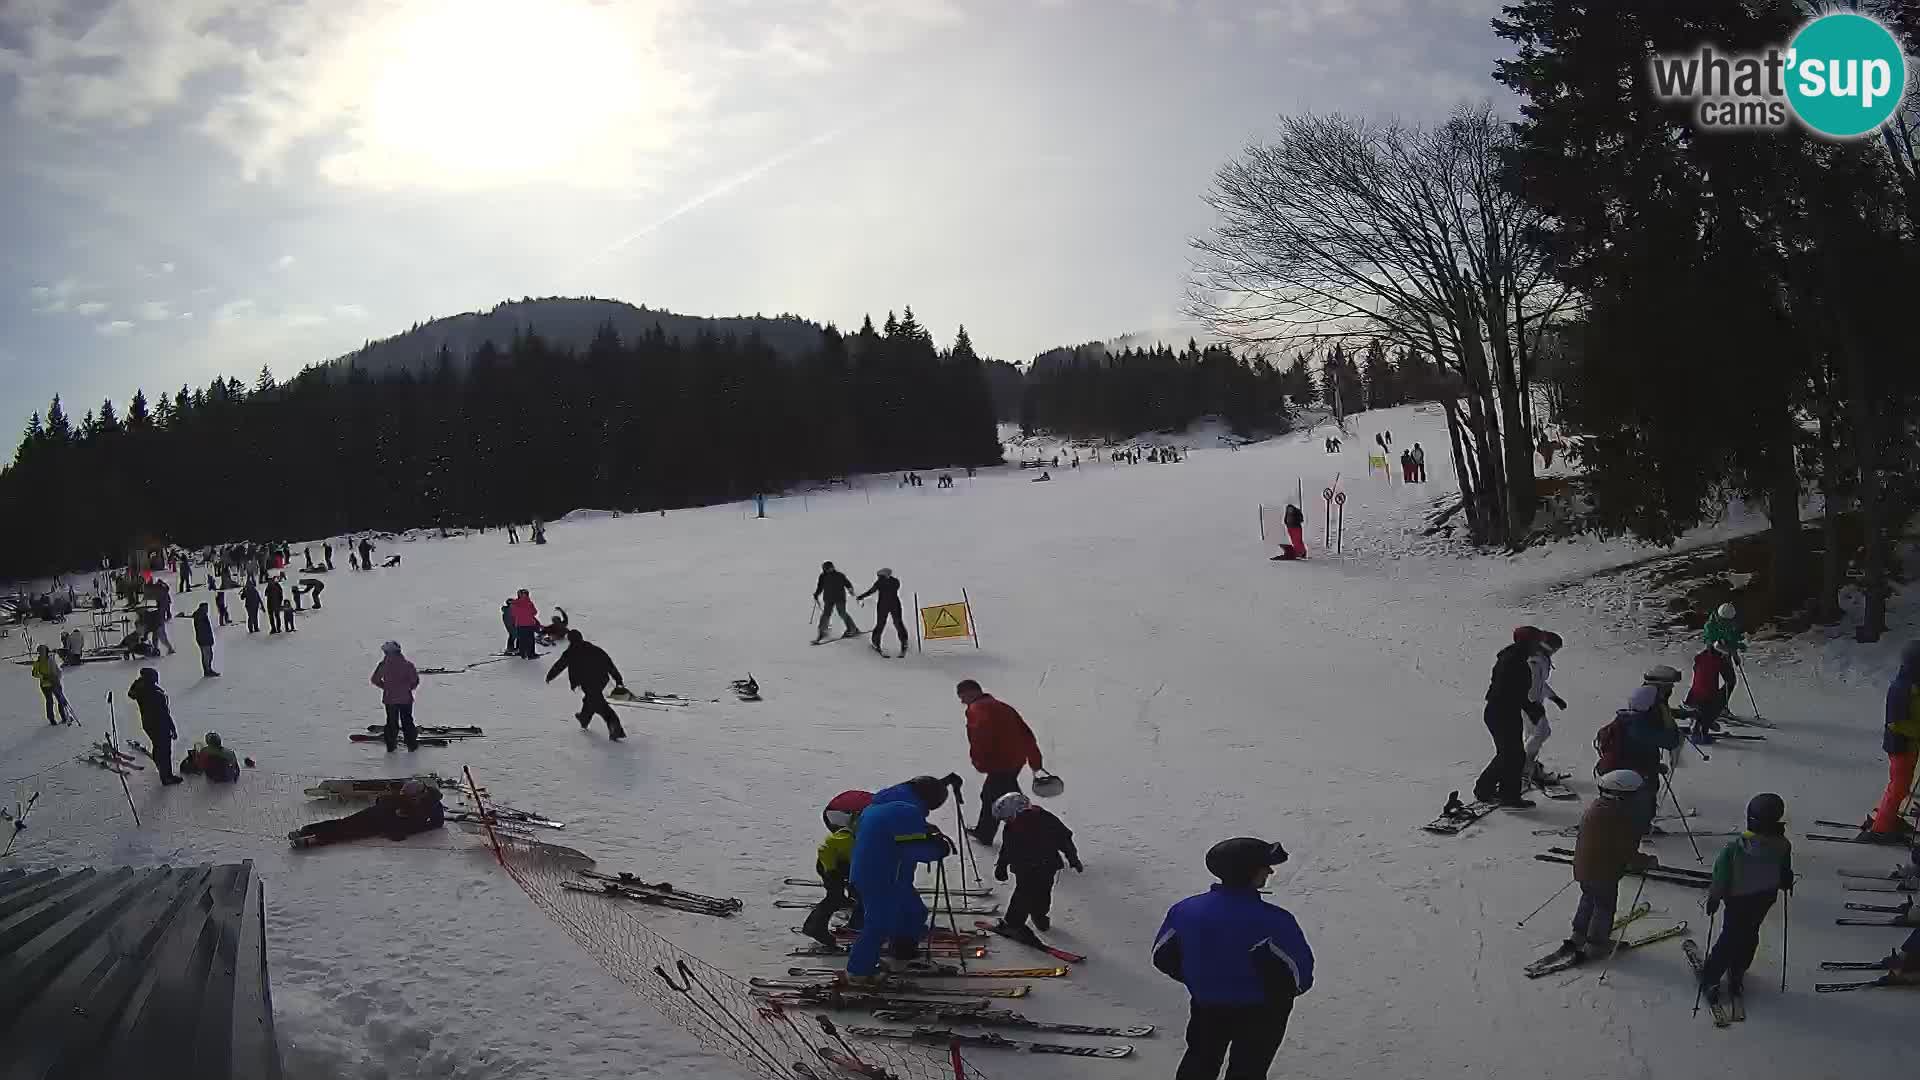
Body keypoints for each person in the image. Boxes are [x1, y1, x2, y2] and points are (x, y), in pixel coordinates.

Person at [1152, 837, 1314, 1080]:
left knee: (1199, 1061)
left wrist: (1200, 979)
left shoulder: (1185, 910)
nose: (1270, 871)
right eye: (1264, 866)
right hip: (1261, 1013)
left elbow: (1162, 956)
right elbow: (1299, 975)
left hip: (1206, 1005)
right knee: (1248, 1069)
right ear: (1248, 872)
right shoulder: (1274, 921)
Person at [846, 775, 956, 982]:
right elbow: (913, 849)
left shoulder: (882, 805)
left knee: (913, 913)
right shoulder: (905, 811)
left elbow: (896, 836)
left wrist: (924, 831)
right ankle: (859, 971)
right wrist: (938, 849)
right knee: (879, 923)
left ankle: (901, 955)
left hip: (886, 874)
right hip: (881, 876)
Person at [1699, 794, 1795, 1011]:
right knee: (1750, 934)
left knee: (1729, 936)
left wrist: (1714, 897)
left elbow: (1721, 877)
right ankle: (1737, 971)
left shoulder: (1734, 849)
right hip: (1764, 898)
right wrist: (1786, 881)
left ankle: (1711, 977)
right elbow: (1784, 871)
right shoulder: (1783, 845)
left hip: (1737, 899)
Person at [1558, 770, 1645, 963]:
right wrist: (1645, 861)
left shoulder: (1598, 808)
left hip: (1585, 868)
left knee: (1589, 898)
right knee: (1604, 906)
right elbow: (1625, 849)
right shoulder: (1618, 817)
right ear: (1622, 795)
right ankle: (1596, 943)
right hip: (1603, 872)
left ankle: (1579, 933)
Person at [1595, 669, 1685, 842]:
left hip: (1637, 764)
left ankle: (1638, 825)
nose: (1671, 690)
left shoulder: (1633, 717)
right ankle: (1635, 829)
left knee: (1646, 792)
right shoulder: (1639, 725)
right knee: (1641, 795)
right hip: (1629, 769)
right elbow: (1669, 740)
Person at [958, 679, 1045, 844]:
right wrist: (1035, 759)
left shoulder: (977, 709)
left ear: (972, 692)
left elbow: (979, 737)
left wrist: (979, 761)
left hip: (999, 762)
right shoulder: (1002, 706)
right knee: (997, 796)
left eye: (963, 696)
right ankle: (987, 833)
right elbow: (1026, 732)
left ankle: (1035, 836)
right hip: (1014, 760)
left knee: (1009, 801)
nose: (962, 701)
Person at [990, 791, 1082, 938]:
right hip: (1026, 867)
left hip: (1044, 865)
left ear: (1018, 812)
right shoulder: (1012, 827)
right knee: (1028, 894)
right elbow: (1007, 847)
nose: (1005, 822)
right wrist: (1002, 865)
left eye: (1007, 818)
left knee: (1035, 894)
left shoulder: (1045, 819)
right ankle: (1031, 918)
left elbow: (1064, 838)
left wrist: (1073, 858)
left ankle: (1023, 921)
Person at [1475, 629, 1539, 809]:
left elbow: (1515, 692)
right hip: (1501, 712)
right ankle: (1500, 794)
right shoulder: (1512, 661)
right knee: (1512, 755)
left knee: (1511, 754)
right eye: (1536, 642)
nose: (1538, 646)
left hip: (1504, 711)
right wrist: (1529, 707)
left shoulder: (1516, 659)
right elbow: (1507, 691)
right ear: (1526, 643)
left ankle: (1493, 791)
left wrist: (1528, 707)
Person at [1864, 640, 1920, 839]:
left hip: (1911, 744)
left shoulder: (1913, 684)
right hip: (1900, 745)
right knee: (1899, 786)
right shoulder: (1901, 688)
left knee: (1901, 785)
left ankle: (1887, 816)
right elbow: (1896, 723)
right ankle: (1882, 827)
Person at [803, 789, 874, 946]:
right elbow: (824, 850)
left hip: (841, 867)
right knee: (835, 898)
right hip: (831, 867)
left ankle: (858, 923)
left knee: (855, 895)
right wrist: (831, 871)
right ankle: (815, 927)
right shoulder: (845, 836)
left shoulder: (860, 836)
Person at [290, 778, 445, 848]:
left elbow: (427, 825)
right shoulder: (410, 797)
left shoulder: (430, 808)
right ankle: (307, 830)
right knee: (344, 823)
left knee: (347, 833)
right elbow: (387, 799)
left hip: (383, 823)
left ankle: (312, 840)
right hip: (378, 813)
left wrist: (400, 832)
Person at [546, 630, 628, 739]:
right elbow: (609, 664)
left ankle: (615, 728)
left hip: (587, 682)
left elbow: (559, 665)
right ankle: (584, 718)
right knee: (590, 699)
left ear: (570, 640)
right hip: (601, 680)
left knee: (600, 705)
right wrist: (618, 679)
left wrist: (550, 676)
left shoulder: (570, 652)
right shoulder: (595, 649)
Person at [1523, 630, 1567, 788]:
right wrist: (1532, 704)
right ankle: (1524, 768)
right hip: (1528, 704)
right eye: (1555, 648)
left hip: (1533, 703)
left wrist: (1554, 697)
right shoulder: (1534, 661)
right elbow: (1533, 685)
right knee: (1541, 733)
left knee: (1532, 735)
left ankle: (1530, 768)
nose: (1555, 652)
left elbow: (1541, 683)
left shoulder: (1542, 659)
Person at [127, 668, 183, 785]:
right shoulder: (156, 694)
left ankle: (159, 766)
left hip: (147, 723)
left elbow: (131, 693)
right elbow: (164, 713)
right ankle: (166, 776)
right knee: (165, 751)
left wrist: (138, 681)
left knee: (157, 746)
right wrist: (172, 728)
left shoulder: (140, 689)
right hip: (159, 724)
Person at [372, 641, 422, 751]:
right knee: (407, 721)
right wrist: (408, 688)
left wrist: (386, 687)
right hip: (405, 698)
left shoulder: (383, 665)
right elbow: (415, 680)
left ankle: (391, 746)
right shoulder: (408, 665)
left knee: (391, 722)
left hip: (390, 699)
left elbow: (375, 679)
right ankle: (411, 745)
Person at [1685, 640, 1737, 744]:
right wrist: (1728, 663)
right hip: (1707, 698)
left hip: (1692, 696)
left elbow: (1696, 669)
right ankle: (1700, 730)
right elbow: (1730, 680)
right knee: (1726, 690)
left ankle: (1702, 719)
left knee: (1704, 690)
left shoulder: (1700, 656)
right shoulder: (1719, 661)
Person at [858, 569, 908, 657]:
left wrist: (861, 596)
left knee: (881, 624)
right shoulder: (895, 581)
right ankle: (904, 642)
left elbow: (872, 590)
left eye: (879, 575)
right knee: (898, 623)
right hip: (894, 604)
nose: (878, 577)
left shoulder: (881, 582)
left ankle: (875, 643)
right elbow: (895, 587)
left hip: (884, 605)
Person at [812, 561, 859, 644]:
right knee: (826, 614)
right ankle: (823, 632)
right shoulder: (822, 576)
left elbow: (847, 583)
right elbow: (820, 587)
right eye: (827, 568)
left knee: (842, 613)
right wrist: (816, 594)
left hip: (840, 598)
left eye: (831, 568)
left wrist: (850, 589)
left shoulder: (839, 575)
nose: (829, 570)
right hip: (828, 598)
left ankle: (852, 629)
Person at [30, 645, 69, 725]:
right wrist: (43, 676)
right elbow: (34, 673)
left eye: (43, 651)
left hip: (54, 683)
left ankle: (64, 716)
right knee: (50, 701)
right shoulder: (37, 662)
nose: (41, 653)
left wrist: (57, 678)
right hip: (45, 685)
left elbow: (57, 670)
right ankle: (51, 719)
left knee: (60, 700)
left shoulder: (51, 660)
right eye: (40, 651)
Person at [509, 589, 540, 658]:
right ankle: (531, 654)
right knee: (530, 640)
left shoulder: (514, 603)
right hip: (529, 624)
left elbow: (513, 614)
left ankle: (523, 654)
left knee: (522, 640)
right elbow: (534, 612)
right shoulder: (529, 603)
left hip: (519, 625)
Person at [192, 602, 220, 677]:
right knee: (207, 656)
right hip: (203, 640)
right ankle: (207, 670)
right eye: (206, 608)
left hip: (205, 639)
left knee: (209, 655)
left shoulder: (202, 615)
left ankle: (208, 669)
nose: (207, 610)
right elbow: (203, 630)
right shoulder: (200, 617)